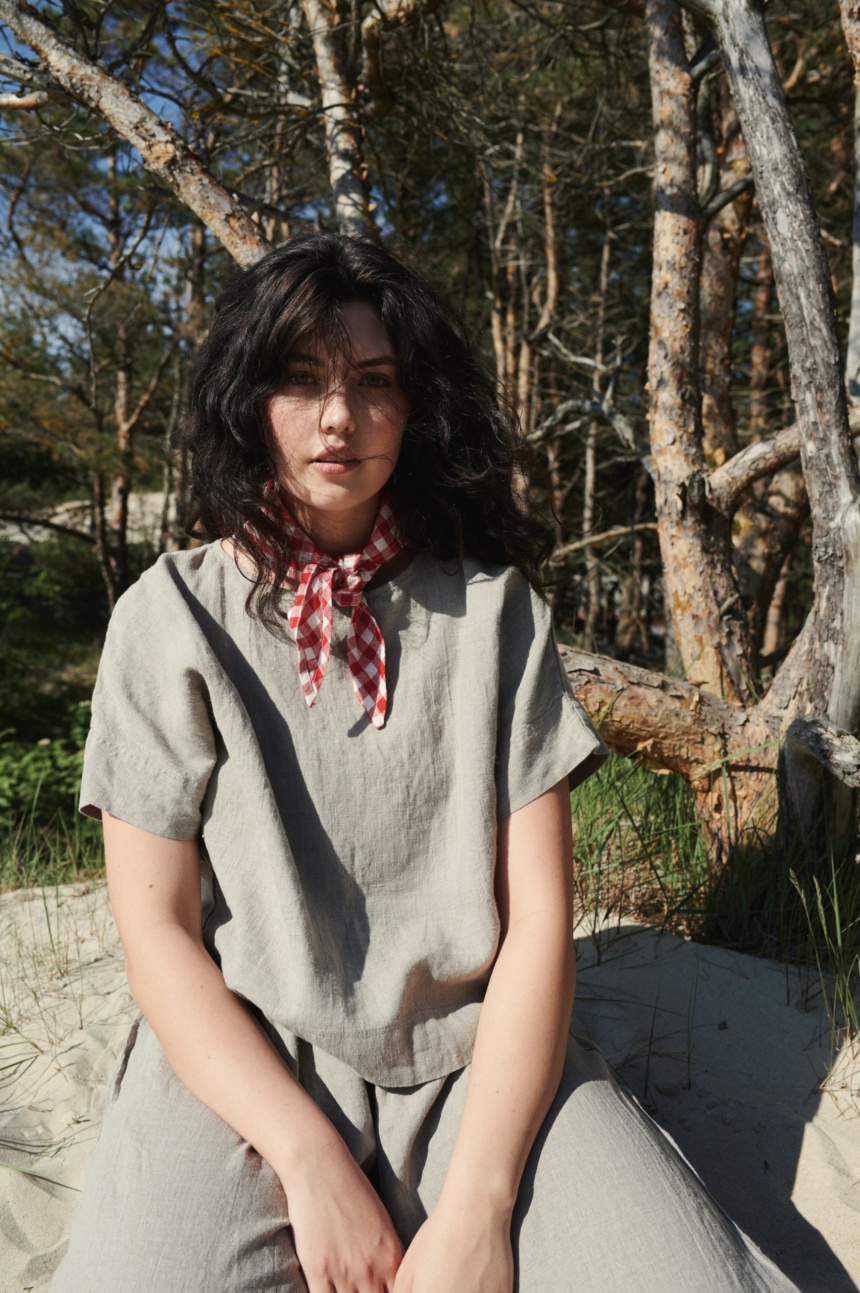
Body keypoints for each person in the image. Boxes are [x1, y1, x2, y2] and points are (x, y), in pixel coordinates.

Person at [51, 233, 797, 1293]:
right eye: (300, 380)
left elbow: (539, 925)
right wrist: (310, 1163)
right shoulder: (167, 617)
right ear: (246, 399)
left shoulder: (496, 615)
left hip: (477, 1060)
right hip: (241, 1065)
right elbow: (157, 935)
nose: (338, 417)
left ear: (416, 406)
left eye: (373, 382)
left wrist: (480, 1209)